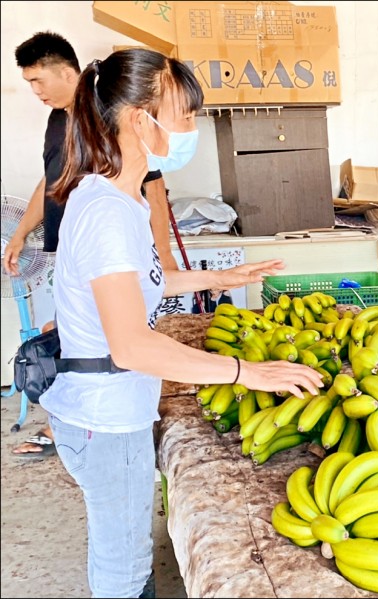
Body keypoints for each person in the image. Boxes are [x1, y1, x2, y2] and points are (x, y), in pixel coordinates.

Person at [41, 47, 324, 598]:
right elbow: (130, 345)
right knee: (124, 572)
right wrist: (247, 372)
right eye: (185, 115)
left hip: (105, 408)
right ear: (137, 120)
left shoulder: (114, 199)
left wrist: (211, 280)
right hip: (107, 418)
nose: (191, 129)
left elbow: (132, 282)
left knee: (122, 553)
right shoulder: (105, 213)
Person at [4, 32, 177, 458]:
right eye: (28, 83)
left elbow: (152, 188)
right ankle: (69, 421)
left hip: (111, 254)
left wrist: (164, 254)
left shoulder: (106, 116)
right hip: (74, 255)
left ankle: (102, 431)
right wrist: (22, 231)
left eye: (38, 80)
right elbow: (52, 179)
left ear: (68, 72)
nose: (36, 91)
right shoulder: (59, 120)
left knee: (112, 346)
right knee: (70, 338)